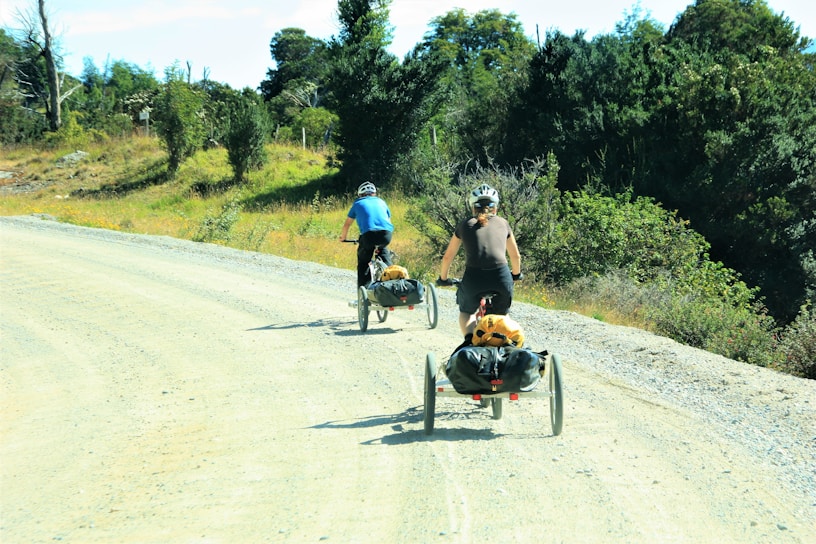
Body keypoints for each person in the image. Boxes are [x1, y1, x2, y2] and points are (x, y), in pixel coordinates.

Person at [437, 183, 522, 340]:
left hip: (474, 278)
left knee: (466, 313)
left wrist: (443, 279)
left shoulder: (464, 225)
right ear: (495, 207)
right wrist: (516, 275)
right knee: (503, 315)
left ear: (472, 207)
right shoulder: (503, 223)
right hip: (501, 276)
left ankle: (470, 342)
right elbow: (515, 256)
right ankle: (508, 342)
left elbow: (448, 257)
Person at [340, 182, 394, 287]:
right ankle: (392, 281)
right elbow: (389, 222)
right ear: (374, 193)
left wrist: (343, 238)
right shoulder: (382, 202)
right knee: (383, 251)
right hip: (386, 234)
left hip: (369, 235)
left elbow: (347, 224)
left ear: (360, 195)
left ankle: (363, 291)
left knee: (364, 262)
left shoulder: (358, 203)